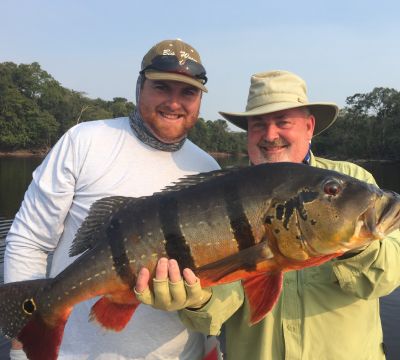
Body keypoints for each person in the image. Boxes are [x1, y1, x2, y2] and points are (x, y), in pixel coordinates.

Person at [136, 70, 400, 359]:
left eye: (283, 122)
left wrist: (349, 240)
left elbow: (386, 276)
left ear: (309, 127)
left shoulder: (355, 183)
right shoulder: (216, 196)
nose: (270, 135)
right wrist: (196, 301)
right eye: (259, 125)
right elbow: (215, 315)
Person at [4, 39, 221, 360]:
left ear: (199, 99)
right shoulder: (85, 141)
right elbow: (28, 241)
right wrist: (23, 343)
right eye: (162, 87)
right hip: (73, 353)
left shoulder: (209, 169)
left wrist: (209, 345)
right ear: (140, 87)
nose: (175, 103)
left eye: (187, 92)